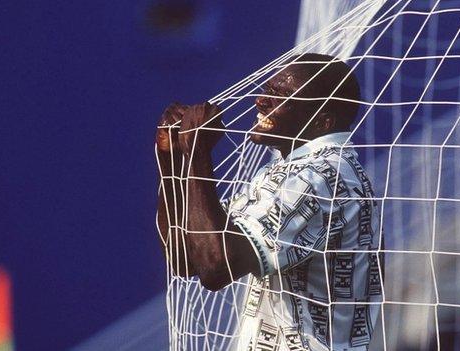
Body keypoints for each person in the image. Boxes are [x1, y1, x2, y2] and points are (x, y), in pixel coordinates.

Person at [156, 53, 382, 350]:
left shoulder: (320, 178)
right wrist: (173, 160)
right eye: (267, 91)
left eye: (280, 95)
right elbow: (187, 258)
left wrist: (197, 152)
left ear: (322, 121)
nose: (260, 102)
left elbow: (216, 268)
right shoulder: (288, 170)